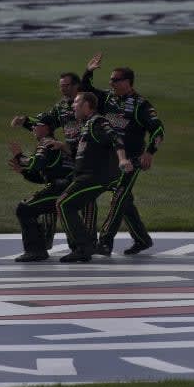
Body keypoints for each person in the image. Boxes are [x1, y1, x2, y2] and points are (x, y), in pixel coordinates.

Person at [80, 53, 165, 256]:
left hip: (131, 161)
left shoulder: (141, 105)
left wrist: (149, 153)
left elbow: (158, 130)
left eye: (115, 80)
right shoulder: (108, 97)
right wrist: (88, 72)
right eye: (110, 79)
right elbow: (86, 91)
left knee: (118, 198)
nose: (111, 83)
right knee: (124, 200)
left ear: (127, 82)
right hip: (109, 159)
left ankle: (105, 242)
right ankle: (142, 239)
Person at [56, 92, 132, 263]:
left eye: (76, 103)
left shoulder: (98, 121)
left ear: (86, 105)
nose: (72, 106)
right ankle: (84, 245)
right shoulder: (87, 124)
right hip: (86, 176)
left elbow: (116, 138)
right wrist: (62, 146)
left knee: (63, 204)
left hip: (94, 176)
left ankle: (84, 247)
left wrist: (122, 159)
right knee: (67, 205)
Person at [8, 119, 79, 262]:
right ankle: (75, 246)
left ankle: (36, 251)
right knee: (32, 207)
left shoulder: (46, 143)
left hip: (61, 189)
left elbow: (36, 163)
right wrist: (23, 171)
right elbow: (42, 177)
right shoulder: (51, 143)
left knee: (24, 208)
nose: (33, 127)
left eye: (37, 125)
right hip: (66, 188)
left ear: (46, 128)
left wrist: (19, 156)